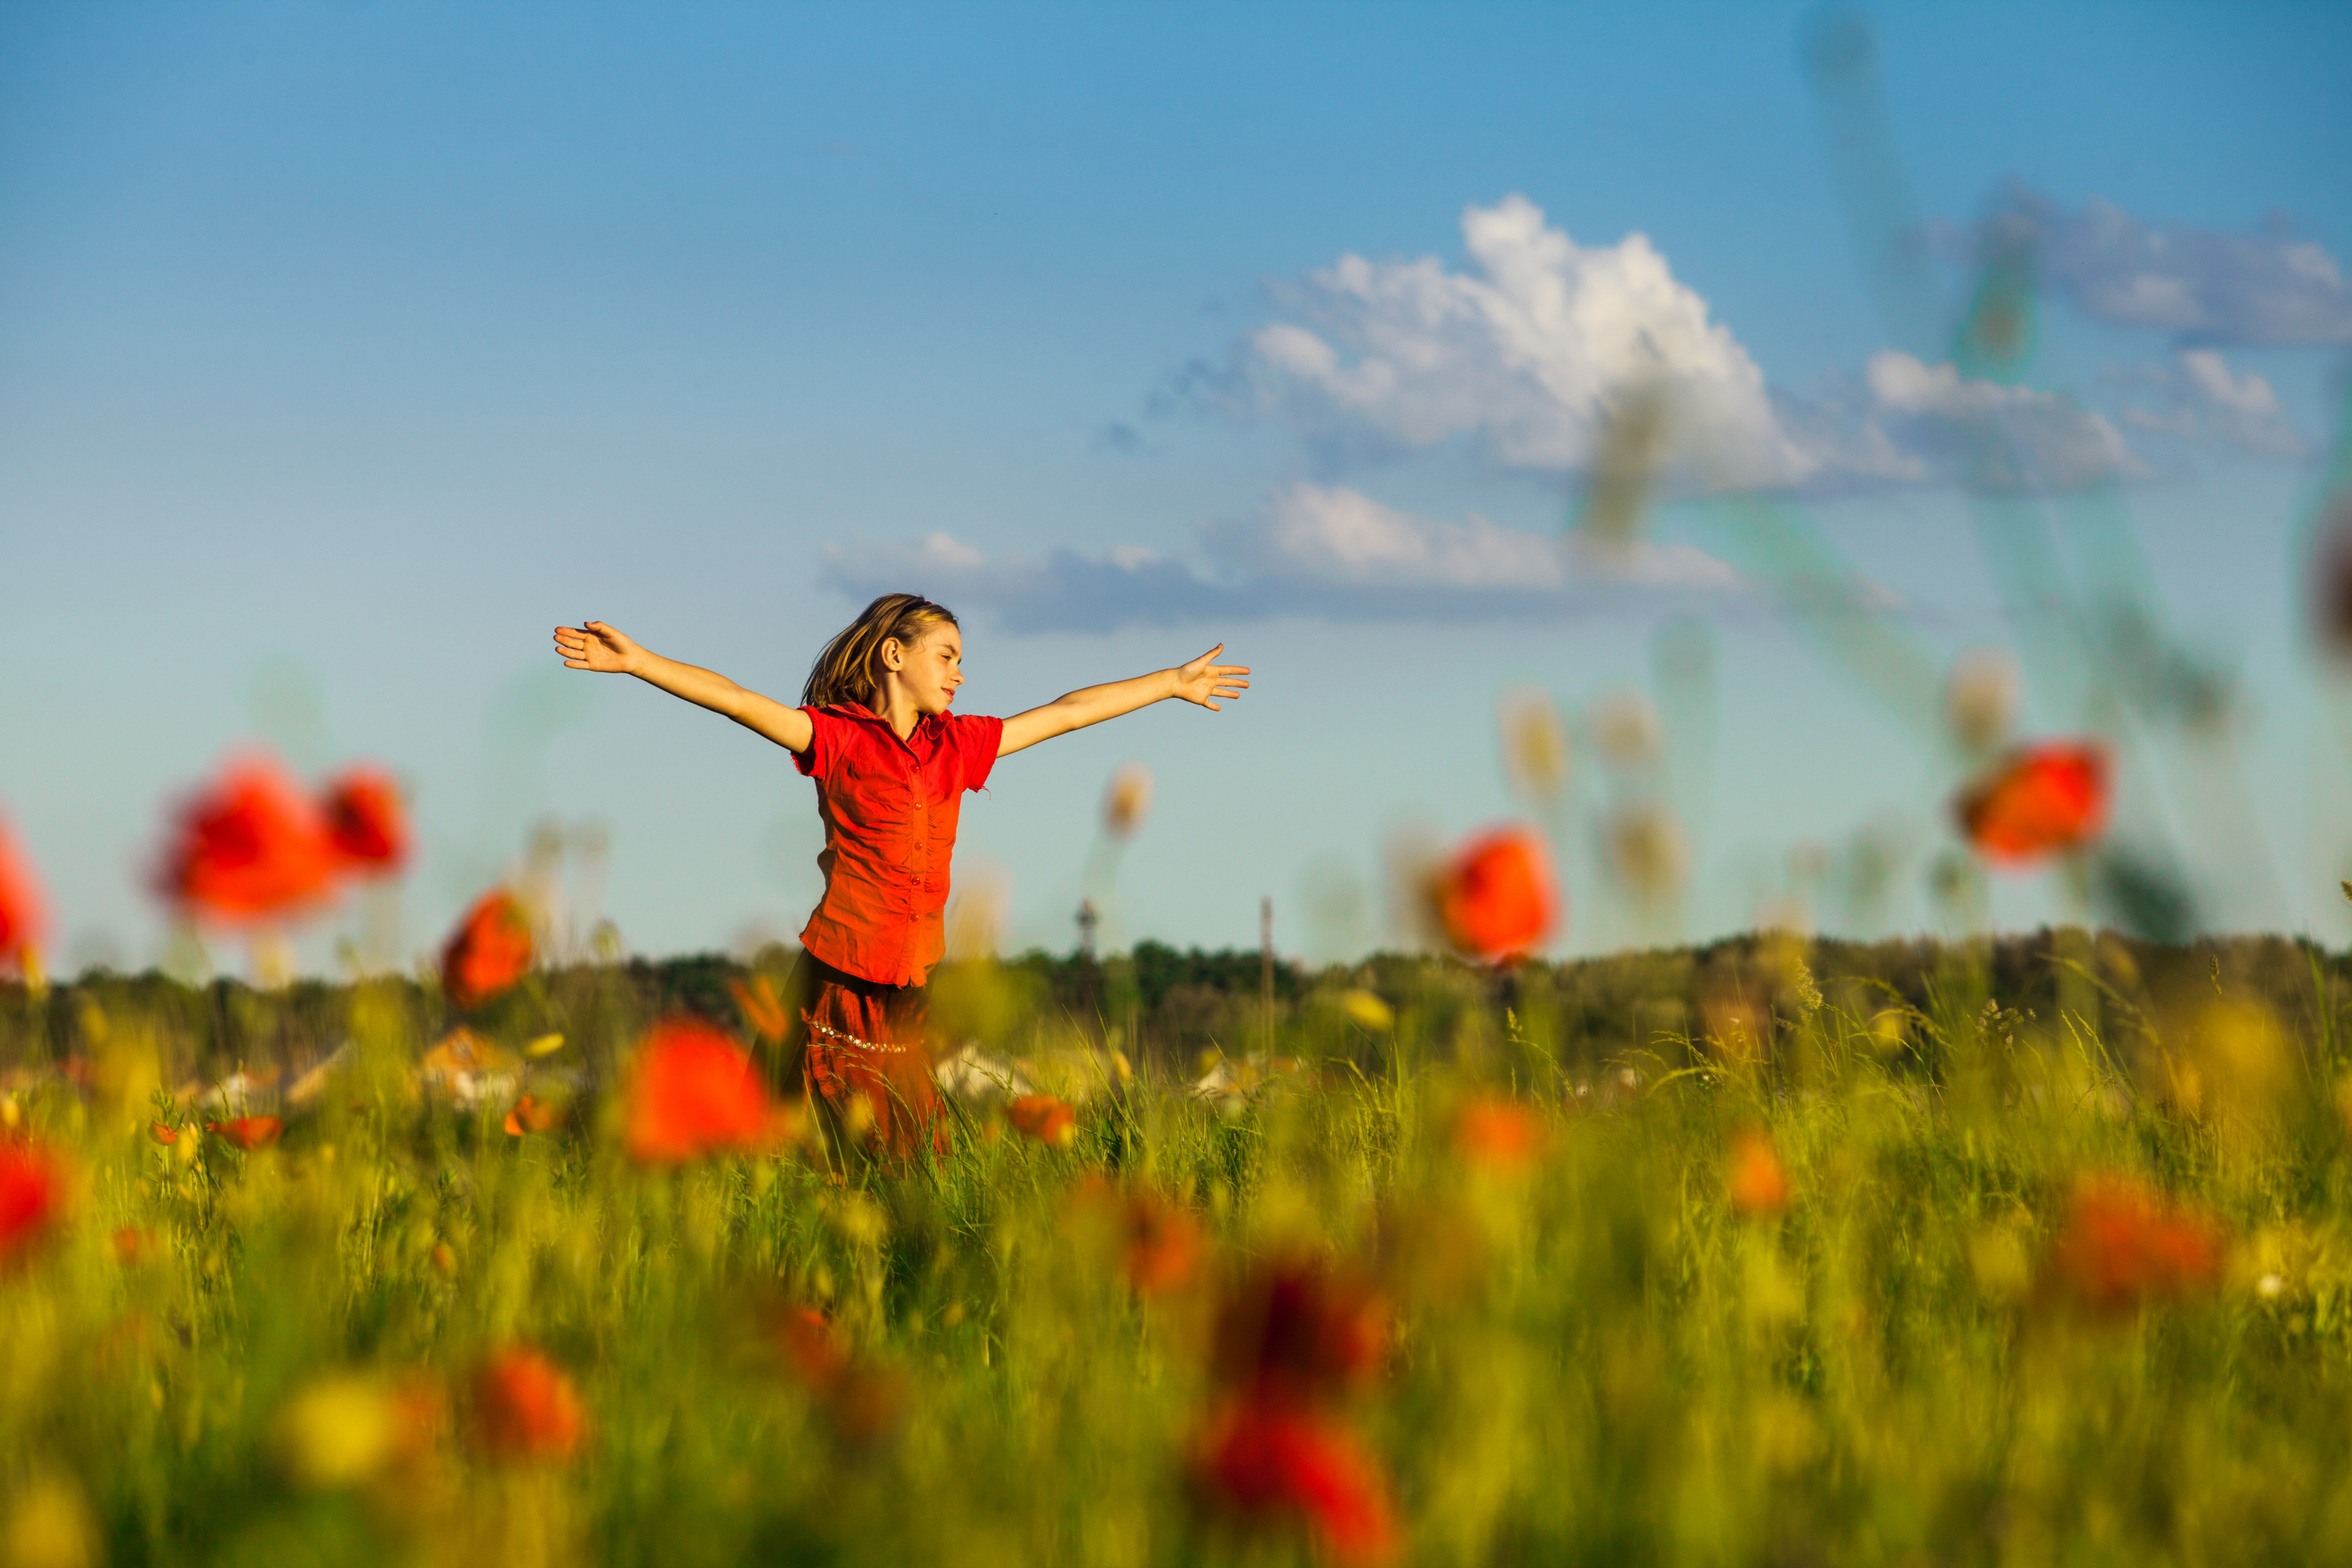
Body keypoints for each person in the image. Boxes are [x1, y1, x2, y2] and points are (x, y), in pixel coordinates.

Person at [553, 592, 1247, 1158]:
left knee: (905, 1152)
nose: (959, 673)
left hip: (913, 980)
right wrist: (639, 662)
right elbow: (735, 700)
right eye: (946, 656)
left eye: (960, 661)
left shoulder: (959, 745)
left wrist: (1170, 684)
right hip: (842, 975)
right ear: (894, 655)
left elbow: (1066, 714)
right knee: (808, 1143)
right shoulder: (838, 738)